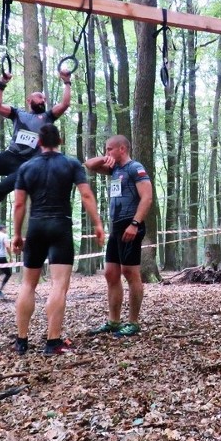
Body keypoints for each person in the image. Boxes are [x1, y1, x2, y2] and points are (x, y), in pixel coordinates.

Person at [12, 125, 105, 355]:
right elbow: (85, 194)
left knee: (27, 284)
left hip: (36, 227)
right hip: (60, 226)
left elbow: (20, 204)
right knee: (59, 285)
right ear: (60, 140)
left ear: (39, 142)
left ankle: (21, 340)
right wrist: (98, 224)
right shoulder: (71, 163)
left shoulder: (26, 167)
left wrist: (16, 234)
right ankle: (52, 342)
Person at [0, 70, 72, 226]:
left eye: (44, 98)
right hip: (9, 157)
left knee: (1, 188)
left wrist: (67, 81)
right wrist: (2, 82)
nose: (43, 99)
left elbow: (65, 104)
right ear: (29, 100)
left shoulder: (48, 117)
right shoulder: (17, 114)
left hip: (26, 165)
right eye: (40, 96)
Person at [85, 135, 153, 338]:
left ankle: (133, 322)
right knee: (111, 274)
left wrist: (135, 224)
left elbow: (147, 197)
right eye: (105, 150)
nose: (107, 153)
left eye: (109, 149)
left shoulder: (135, 168)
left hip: (131, 224)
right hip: (115, 226)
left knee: (130, 273)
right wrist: (105, 158)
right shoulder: (114, 169)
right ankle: (114, 321)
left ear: (122, 149)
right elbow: (89, 165)